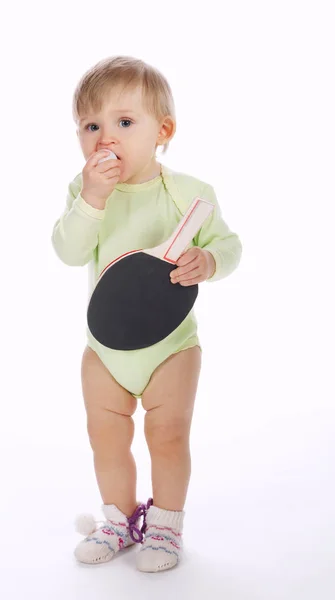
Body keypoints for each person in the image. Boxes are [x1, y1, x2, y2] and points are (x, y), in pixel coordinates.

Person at [51, 55, 242, 572]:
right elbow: (69, 251)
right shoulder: (85, 192)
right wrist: (92, 196)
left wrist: (209, 260)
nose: (104, 138)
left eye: (124, 122)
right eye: (90, 126)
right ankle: (118, 519)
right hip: (106, 346)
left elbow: (228, 244)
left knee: (168, 432)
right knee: (105, 433)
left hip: (171, 346)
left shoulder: (188, 194)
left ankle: (165, 526)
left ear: (164, 130)